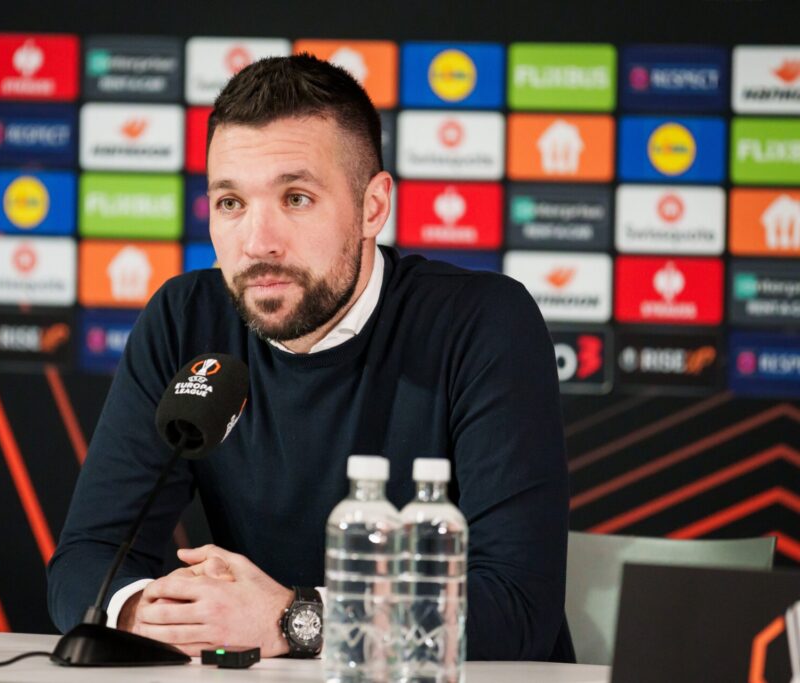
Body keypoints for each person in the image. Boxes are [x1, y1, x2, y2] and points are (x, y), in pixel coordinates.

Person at [47, 53, 573, 662]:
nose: (257, 242)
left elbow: (516, 606)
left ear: (373, 208)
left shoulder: (483, 323)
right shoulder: (185, 319)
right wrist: (147, 612)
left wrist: (292, 618)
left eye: (296, 198)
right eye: (231, 203)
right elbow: (86, 559)